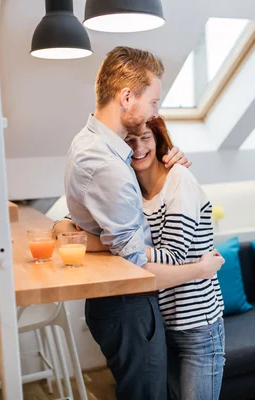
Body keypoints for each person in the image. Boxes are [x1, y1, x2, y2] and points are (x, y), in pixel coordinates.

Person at [58, 46, 225, 400]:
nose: (155, 111)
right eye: (153, 101)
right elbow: (134, 260)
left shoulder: (93, 148)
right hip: (141, 310)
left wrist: (84, 237)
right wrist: (202, 269)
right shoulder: (114, 169)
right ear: (127, 96)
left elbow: (132, 243)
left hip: (186, 320)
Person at [125, 116, 225, 400]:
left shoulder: (178, 178)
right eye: (129, 140)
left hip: (199, 327)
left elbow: (174, 255)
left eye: (145, 137)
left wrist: (122, 249)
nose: (138, 147)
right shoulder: (134, 193)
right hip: (164, 324)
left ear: (158, 141)